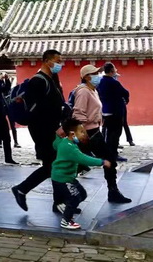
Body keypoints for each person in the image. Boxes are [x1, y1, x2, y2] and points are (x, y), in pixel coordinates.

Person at [11, 49, 66, 211]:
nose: (60, 64)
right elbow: (37, 111)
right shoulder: (38, 81)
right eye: (57, 61)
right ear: (47, 61)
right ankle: (21, 189)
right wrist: (54, 128)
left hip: (52, 128)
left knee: (55, 165)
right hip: (43, 130)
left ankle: (59, 201)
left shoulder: (52, 79)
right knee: (52, 165)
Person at [72, 64, 131, 204]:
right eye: (94, 73)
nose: (98, 75)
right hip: (88, 132)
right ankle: (113, 191)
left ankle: (112, 191)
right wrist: (82, 134)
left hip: (94, 129)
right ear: (87, 77)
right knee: (108, 158)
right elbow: (78, 113)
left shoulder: (93, 90)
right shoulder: (83, 92)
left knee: (79, 163)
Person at [51, 117, 112, 230]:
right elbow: (83, 159)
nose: (84, 134)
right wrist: (102, 162)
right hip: (62, 178)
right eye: (81, 132)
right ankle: (66, 221)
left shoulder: (67, 142)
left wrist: (57, 135)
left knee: (82, 194)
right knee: (74, 198)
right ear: (72, 134)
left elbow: (55, 143)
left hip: (66, 177)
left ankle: (65, 207)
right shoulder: (69, 147)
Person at [95, 63, 133, 203]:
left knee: (108, 135)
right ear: (111, 71)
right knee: (113, 137)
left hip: (104, 113)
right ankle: (112, 153)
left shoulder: (99, 84)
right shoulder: (113, 82)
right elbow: (125, 93)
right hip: (115, 113)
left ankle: (110, 153)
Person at [0, 71, 17, 166]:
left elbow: (6, 89)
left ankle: (8, 158)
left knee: (7, 137)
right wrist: (0, 80)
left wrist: (7, 80)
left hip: (1, 114)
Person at [0, 73, 20, 148]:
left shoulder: (9, 89)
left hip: (9, 108)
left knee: (13, 126)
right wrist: (0, 80)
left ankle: (16, 142)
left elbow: (8, 87)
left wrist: (7, 79)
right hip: (2, 108)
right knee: (1, 126)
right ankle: (0, 142)